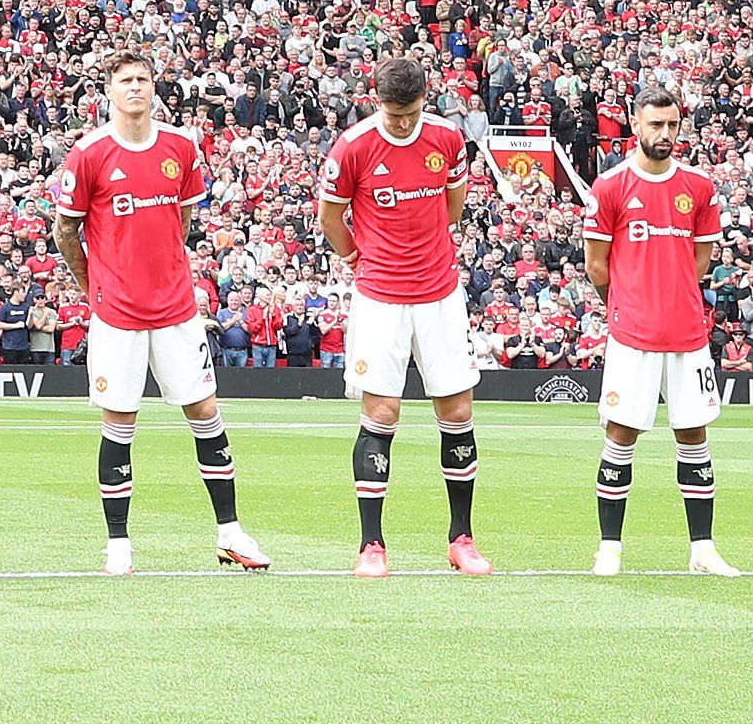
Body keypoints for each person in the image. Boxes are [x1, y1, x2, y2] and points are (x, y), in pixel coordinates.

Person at [51, 49, 270, 575]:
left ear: (155, 87)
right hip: (117, 314)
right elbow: (65, 231)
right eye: (125, 80)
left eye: (143, 80)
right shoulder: (89, 154)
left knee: (205, 413)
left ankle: (231, 532)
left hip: (175, 308)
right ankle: (119, 543)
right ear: (108, 90)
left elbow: (185, 215)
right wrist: (94, 286)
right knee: (119, 422)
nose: (135, 88)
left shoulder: (181, 146)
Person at [317, 54, 486, 578]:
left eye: (410, 113)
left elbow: (452, 205)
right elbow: (330, 216)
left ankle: (462, 538)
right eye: (394, 115)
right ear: (377, 103)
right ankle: (372, 545)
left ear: (424, 100)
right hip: (380, 297)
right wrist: (355, 257)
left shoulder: (446, 138)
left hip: (439, 292)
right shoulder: (354, 147)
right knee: (382, 412)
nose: (403, 124)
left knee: (457, 411)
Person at [581, 84, 733, 578]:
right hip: (633, 334)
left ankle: (703, 550)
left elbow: (700, 263)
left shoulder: (699, 187)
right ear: (635, 123)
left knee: (694, 435)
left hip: (687, 333)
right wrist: (629, 304)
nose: (665, 134)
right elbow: (597, 268)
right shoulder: (610, 187)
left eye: (672, 125)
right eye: (656, 125)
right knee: (621, 435)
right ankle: (610, 549)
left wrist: (671, 295)